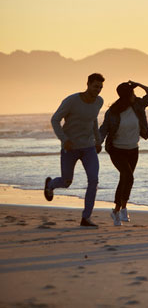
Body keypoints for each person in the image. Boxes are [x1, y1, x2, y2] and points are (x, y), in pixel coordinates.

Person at [44, 73, 105, 227]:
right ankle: (50, 185)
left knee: (93, 180)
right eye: (95, 86)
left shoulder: (99, 101)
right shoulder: (71, 101)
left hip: (89, 148)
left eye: (100, 87)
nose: (98, 89)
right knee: (66, 182)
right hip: (70, 148)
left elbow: (94, 120)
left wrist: (98, 141)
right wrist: (64, 140)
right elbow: (55, 119)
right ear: (88, 84)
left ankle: (86, 218)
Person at [99, 81, 148, 226]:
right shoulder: (113, 112)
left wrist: (138, 84)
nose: (135, 95)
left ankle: (116, 212)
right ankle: (124, 208)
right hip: (116, 150)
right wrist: (96, 143)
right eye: (132, 93)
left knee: (124, 179)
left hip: (133, 149)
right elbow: (103, 129)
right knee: (128, 177)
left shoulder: (138, 105)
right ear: (127, 95)